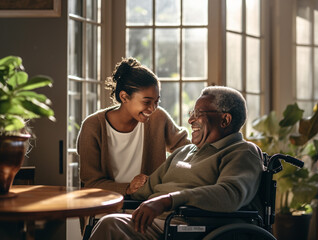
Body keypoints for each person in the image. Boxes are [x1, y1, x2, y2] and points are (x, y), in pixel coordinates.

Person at [89, 86, 264, 240]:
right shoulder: (184, 152)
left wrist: (168, 200)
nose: (190, 120)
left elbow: (229, 195)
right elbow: (144, 191)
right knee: (106, 219)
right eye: (191, 114)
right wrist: (112, 196)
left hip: (187, 227)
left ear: (225, 120)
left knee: (111, 225)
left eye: (199, 114)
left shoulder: (242, 152)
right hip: (160, 223)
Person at [77, 57, 190, 196]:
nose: (152, 108)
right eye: (147, 102)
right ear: (124, 97)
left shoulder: (158, 118)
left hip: (149, 207)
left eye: (156, 101)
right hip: (106, 206)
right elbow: (91, 184)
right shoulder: (92, 126)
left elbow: (187, 150)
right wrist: (128, 188)